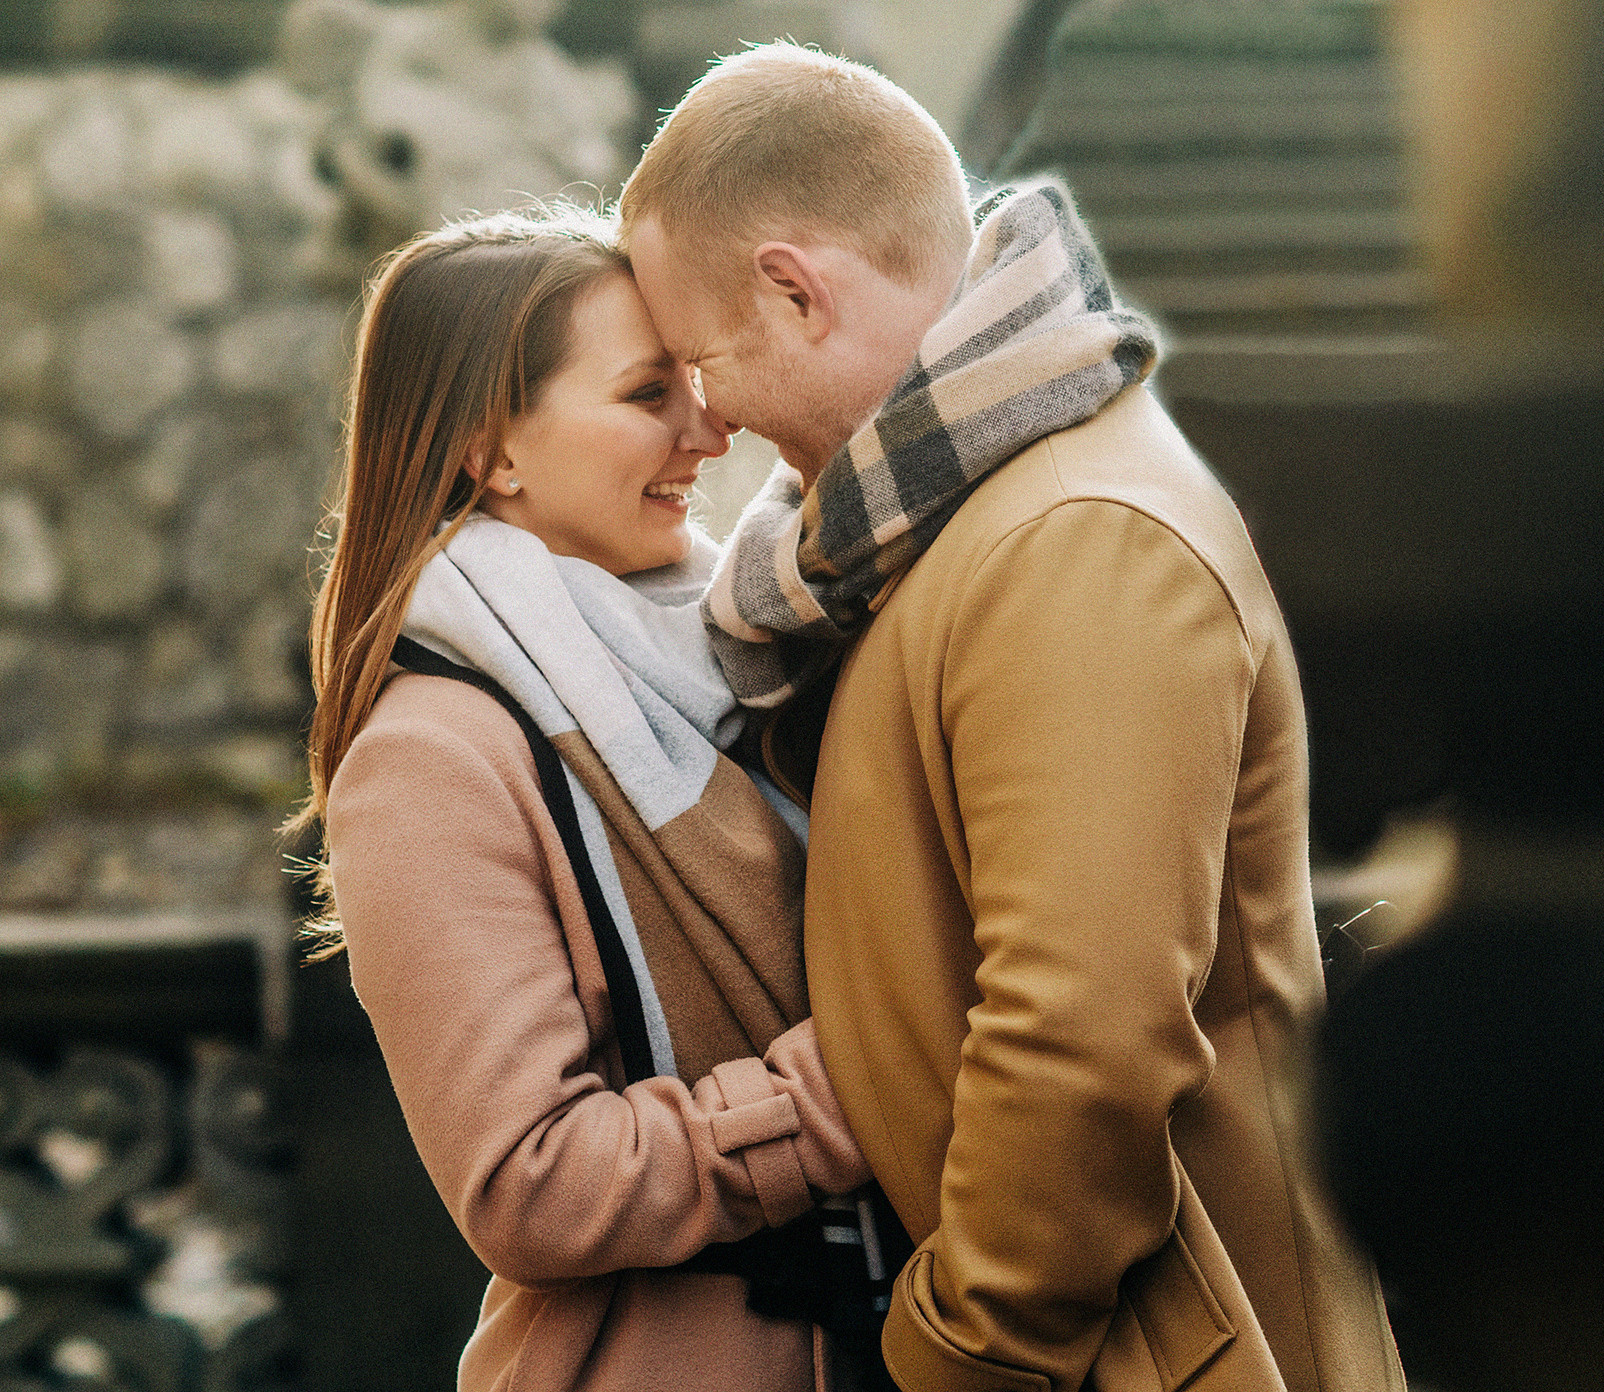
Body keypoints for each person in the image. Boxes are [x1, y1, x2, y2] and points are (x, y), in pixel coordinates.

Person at [617, 45, 1407, 1392]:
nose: (712, 419)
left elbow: (1083, 1041)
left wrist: (958, 1349)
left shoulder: (1075, 540)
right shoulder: (966, 522)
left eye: (704, 361)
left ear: (798, 293)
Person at [293, 205, 887, 1392]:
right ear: (492, 452)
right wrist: (864, 1079)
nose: (707, 433)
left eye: (693, 386)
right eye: (644, 396)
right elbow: (532, 1183)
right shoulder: (432, 760)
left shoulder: (737, 654)